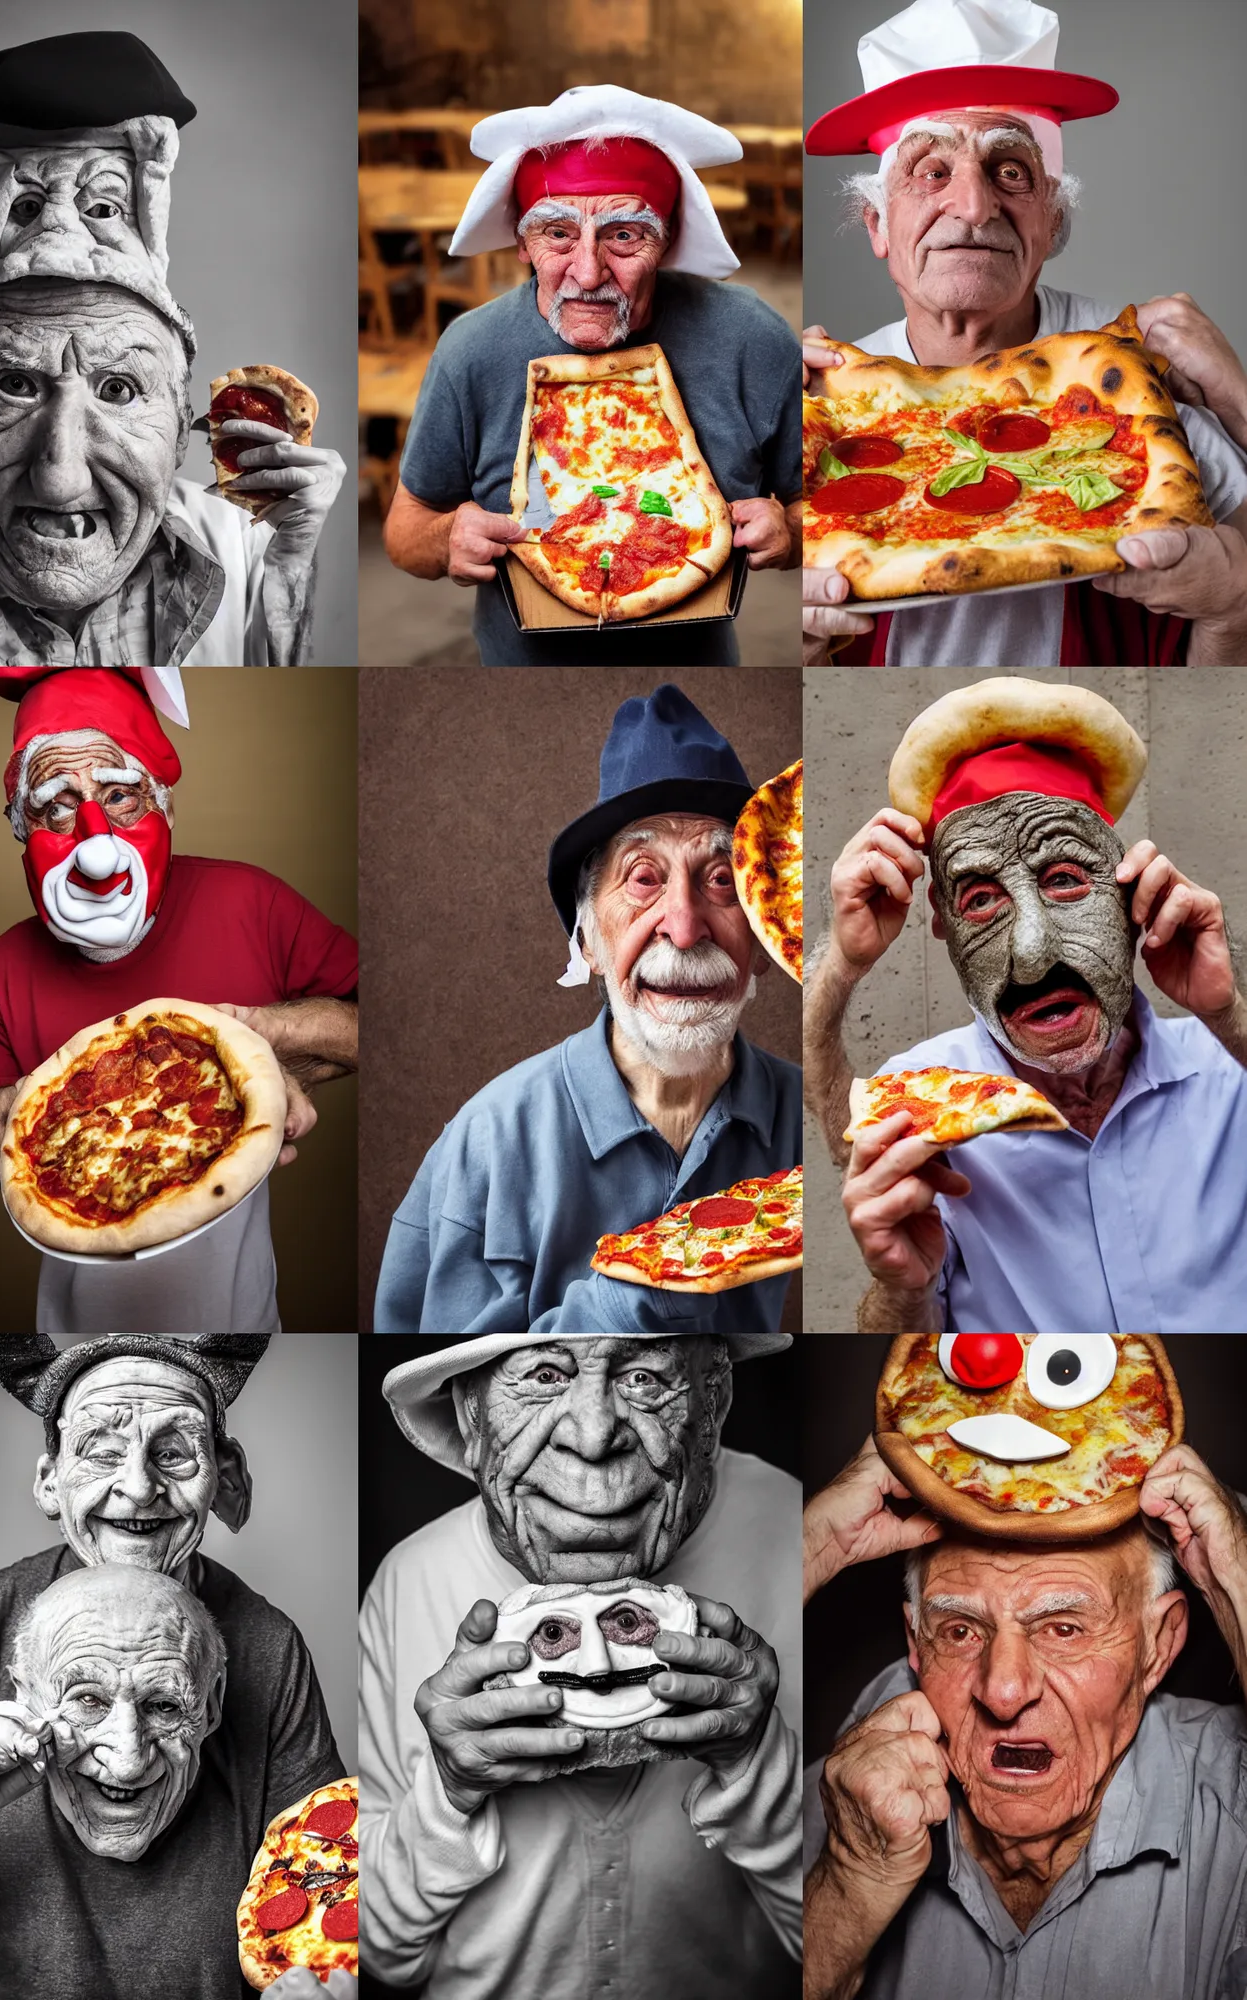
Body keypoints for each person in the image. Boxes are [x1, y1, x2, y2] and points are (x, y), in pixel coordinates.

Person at [802, 0, 1247, 666]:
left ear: (1052, 223)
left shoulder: (1150, 386)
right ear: (876, 225)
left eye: (1009, 171)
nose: (975, 207)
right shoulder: (821, 404)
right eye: (931, 171)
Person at [359, 1332, 802, 1997]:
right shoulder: (410, 1578)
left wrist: (756, 1763)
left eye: (645, 1379)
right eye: (541, 1375)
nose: (593, 1437)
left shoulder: (799, 1526)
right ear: (468, 1417)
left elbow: (836, 1951)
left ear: (712, 1403)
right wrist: (448, 1796)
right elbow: (382, 1954)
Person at [803, 677, 1247, 1332]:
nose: (1032, 956)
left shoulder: (1227, 1070)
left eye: (1063, 880)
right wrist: (902, 1290)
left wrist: (1227, 1011)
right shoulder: (924, 1104)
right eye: (980, 899)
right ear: (943, 926)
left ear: (1130, 894)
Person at [0, 1334, 348, 2000]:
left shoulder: (269, 1643)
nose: (140, 1487)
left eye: (173, 1452)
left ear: (225, 1477)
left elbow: (322, 1885)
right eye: (100, 1451)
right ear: (49, 1481)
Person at [0, 667, 358, 1335]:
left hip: (238, 1321)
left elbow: (380, 1025)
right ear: (22, 831)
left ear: (165, 807)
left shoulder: (252, 901)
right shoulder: (6, 961)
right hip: (72, 1327)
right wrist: (90, 1101)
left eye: (122, 797)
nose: (97, 849)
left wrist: (251, 1047)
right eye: (55, 807)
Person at [375, 684, 801, 1332]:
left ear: (768, 931)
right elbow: (440, 1383)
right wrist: (642, 1289)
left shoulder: (816, 1120)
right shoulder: (487, 1140)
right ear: (588, 941)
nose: (684, 928)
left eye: (720, 881)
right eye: (642, 878)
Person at [0, 30, 345, 665]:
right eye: (13, 384)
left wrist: (285, 571)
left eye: (118, 389)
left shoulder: (249, 545)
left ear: (180, 428)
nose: (59, 481)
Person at [802, 1433, 1247, 2000]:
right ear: (916, 1642)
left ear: (1157, 1647)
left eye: (1064, 1629)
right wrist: (849, 1882)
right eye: (961, 1631)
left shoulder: (1232, 1799)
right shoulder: (846, 1801)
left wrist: (1236, 1577)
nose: (1005, 1692)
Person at [382, 85, 803, 665]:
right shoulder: (471, 350)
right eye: (558, 234)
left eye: (624, 235)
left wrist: (795, 531)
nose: (586, 272)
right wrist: (446, 536)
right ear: (522, 243)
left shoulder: (752, 339)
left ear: (668, 238)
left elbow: (826, 506)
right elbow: (405, 531)